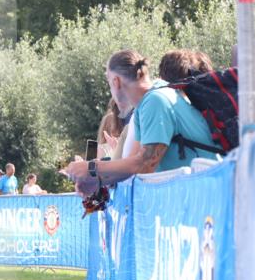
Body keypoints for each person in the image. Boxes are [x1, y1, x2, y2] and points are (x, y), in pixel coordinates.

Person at [64, 49, 218, 193]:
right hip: (202, 190)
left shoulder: (155, 100)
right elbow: (132, 163)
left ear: (116, 82)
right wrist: (97, 181)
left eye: (109, 84)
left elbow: (146, 164)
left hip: (208, 192)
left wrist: (92, 167)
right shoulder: (147, 101)